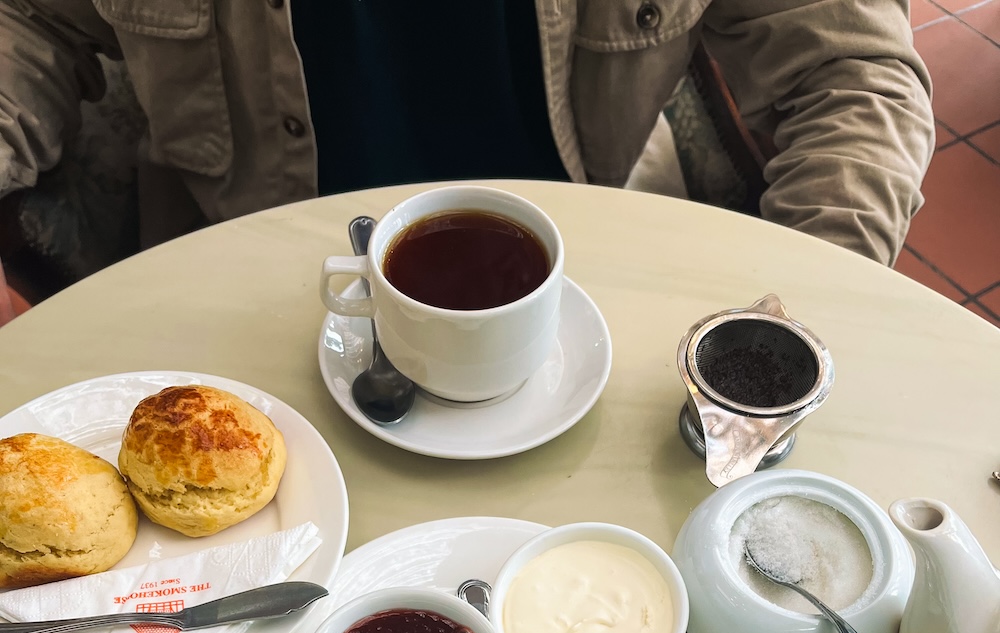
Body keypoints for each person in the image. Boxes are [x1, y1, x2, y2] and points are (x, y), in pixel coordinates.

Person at [0, 0, 933, 324]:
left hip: (596, 299)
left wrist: (788, 334)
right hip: (246, 303)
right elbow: (29, 25)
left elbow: (851, 70)